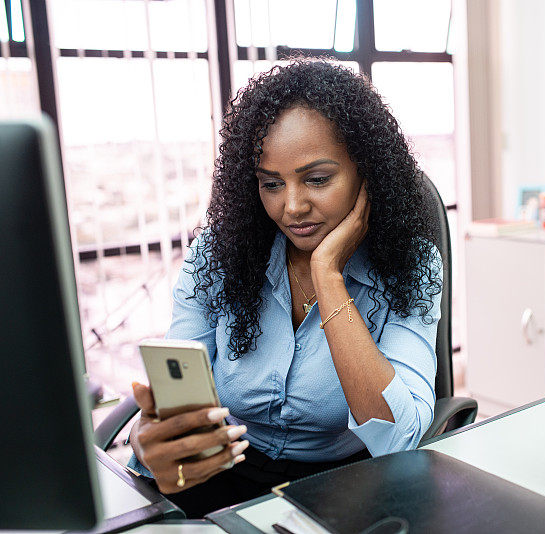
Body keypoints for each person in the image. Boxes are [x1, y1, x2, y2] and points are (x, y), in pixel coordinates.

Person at [126, 59, 443, 518]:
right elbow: (175, 395)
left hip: (345, 485)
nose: (292, 207)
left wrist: (328, 275)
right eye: (271, 184)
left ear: (366, 172)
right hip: (225, 471)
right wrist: (150, 440)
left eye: (317, 179)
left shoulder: (409, 265)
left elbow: (401, 439)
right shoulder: (220, 254)